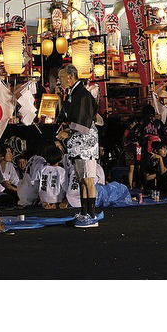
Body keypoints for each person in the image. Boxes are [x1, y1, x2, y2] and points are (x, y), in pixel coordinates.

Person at [58, 64, 100, 228]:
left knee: (88, 179)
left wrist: (67, 131)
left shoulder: (82, 94)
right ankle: (84, 213)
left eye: (62, 77)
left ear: (71, 76)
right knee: (82, 178)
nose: (60, 80)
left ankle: (91, 215)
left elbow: (84, 120)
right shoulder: (73, 94)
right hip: (78, 141)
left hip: (86, 141)